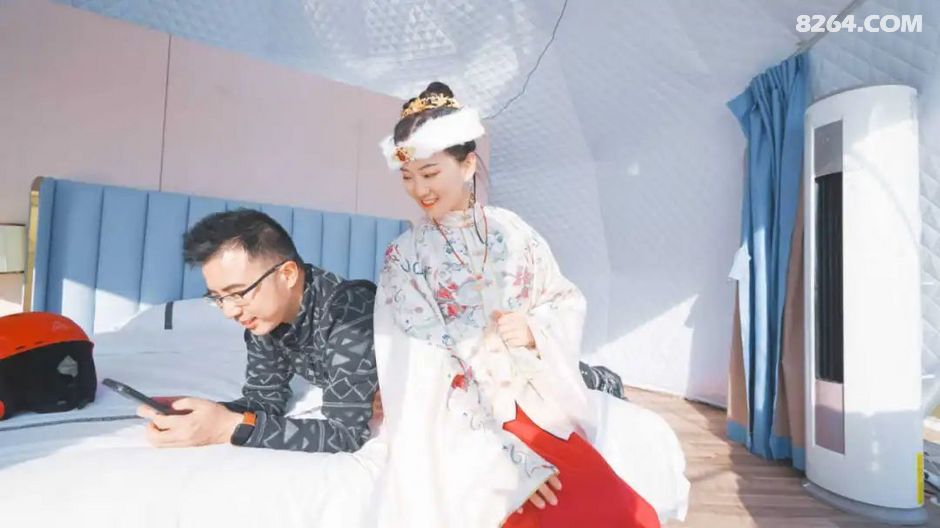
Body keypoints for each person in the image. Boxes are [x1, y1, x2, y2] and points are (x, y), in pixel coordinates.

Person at [369, 82, 663, 527]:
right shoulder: (405, 258)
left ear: (467, 165)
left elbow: (562, 298)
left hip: (533, 398)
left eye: (429, 174)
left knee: (627, 513)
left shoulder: (514, 231)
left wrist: (531, 329)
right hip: (462, 420)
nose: (419, 190)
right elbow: (426, 366)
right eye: (408, 177)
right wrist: (503, 460)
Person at [136, 208, 624, 454]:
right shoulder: (262, 320)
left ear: (286, 274)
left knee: (539, 377)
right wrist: (205, 413)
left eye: (237, 293)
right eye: (218, 298)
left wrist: (230, 430)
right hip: (427, 374)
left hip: (462, 364)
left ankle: (599, 376)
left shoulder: (347, 311)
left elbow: (345, 434)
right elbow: (264, 402)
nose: (229, 310)